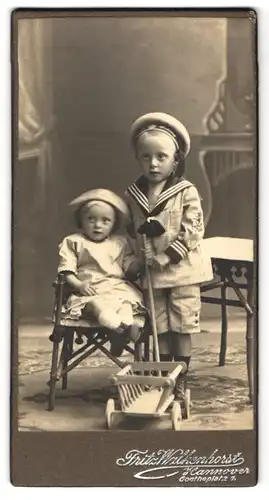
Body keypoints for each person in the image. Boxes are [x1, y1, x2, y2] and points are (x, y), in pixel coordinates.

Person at [125, 112, 213, 399]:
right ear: (138, 158)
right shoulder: (135, 193)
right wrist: (138, 258)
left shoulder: (185, 192)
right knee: (160, 323)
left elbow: (192, 229)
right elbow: (133, 229)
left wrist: (168, 256)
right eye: (146, 156)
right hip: (153, 272)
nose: (153, 163)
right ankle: (165, 375)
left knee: (182, 321)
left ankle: (181, 375)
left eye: (161, 157)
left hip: (182, 269)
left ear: (175, 160)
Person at [57, 188, 145, 356]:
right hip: (89, 288)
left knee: (127, 301)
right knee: (93, 303)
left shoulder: (120, 243)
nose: (97, 225)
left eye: (105, 221)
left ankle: (122, 326)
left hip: (116, 288)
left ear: (114, 224)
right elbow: (66, 270)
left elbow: (129, 267)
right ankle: (108, 318)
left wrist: (140, 262)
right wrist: (79, 284)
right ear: (81, 221)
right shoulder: (74, 242)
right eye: (91, 219)